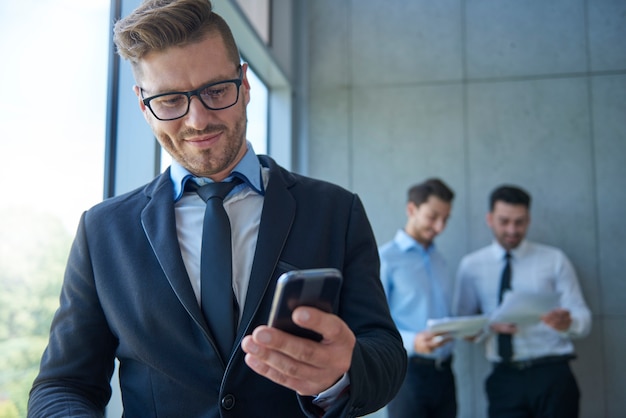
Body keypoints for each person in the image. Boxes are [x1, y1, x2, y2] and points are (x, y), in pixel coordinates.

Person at [27, 1, 407, 417]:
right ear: (142, 104)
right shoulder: (102, 230)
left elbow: (385, 352)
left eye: (216, 91)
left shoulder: (336, 210)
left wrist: (340, 375)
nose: (197, 120)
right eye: (171, 100)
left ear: (244, 84)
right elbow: (63, 385)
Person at [454, 185, 591, 418]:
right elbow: (462, 325)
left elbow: (583, 319)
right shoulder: (471, 266)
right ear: (490, 219)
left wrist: (567, 323)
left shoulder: (554, 259)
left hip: (553, 374)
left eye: (520, 222)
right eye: (504, 221)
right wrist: (488, 326)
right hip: (505, 379)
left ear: (529, 219)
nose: (512, 229)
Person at [379, 178, 457, 418]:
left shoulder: (439, 259)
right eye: (433, 217)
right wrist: (413, 342)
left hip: (445, 373)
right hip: (407, 374)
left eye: (445, 219)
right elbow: (372, 326)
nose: (440, 227)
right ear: (411, 209)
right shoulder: (385, 259)